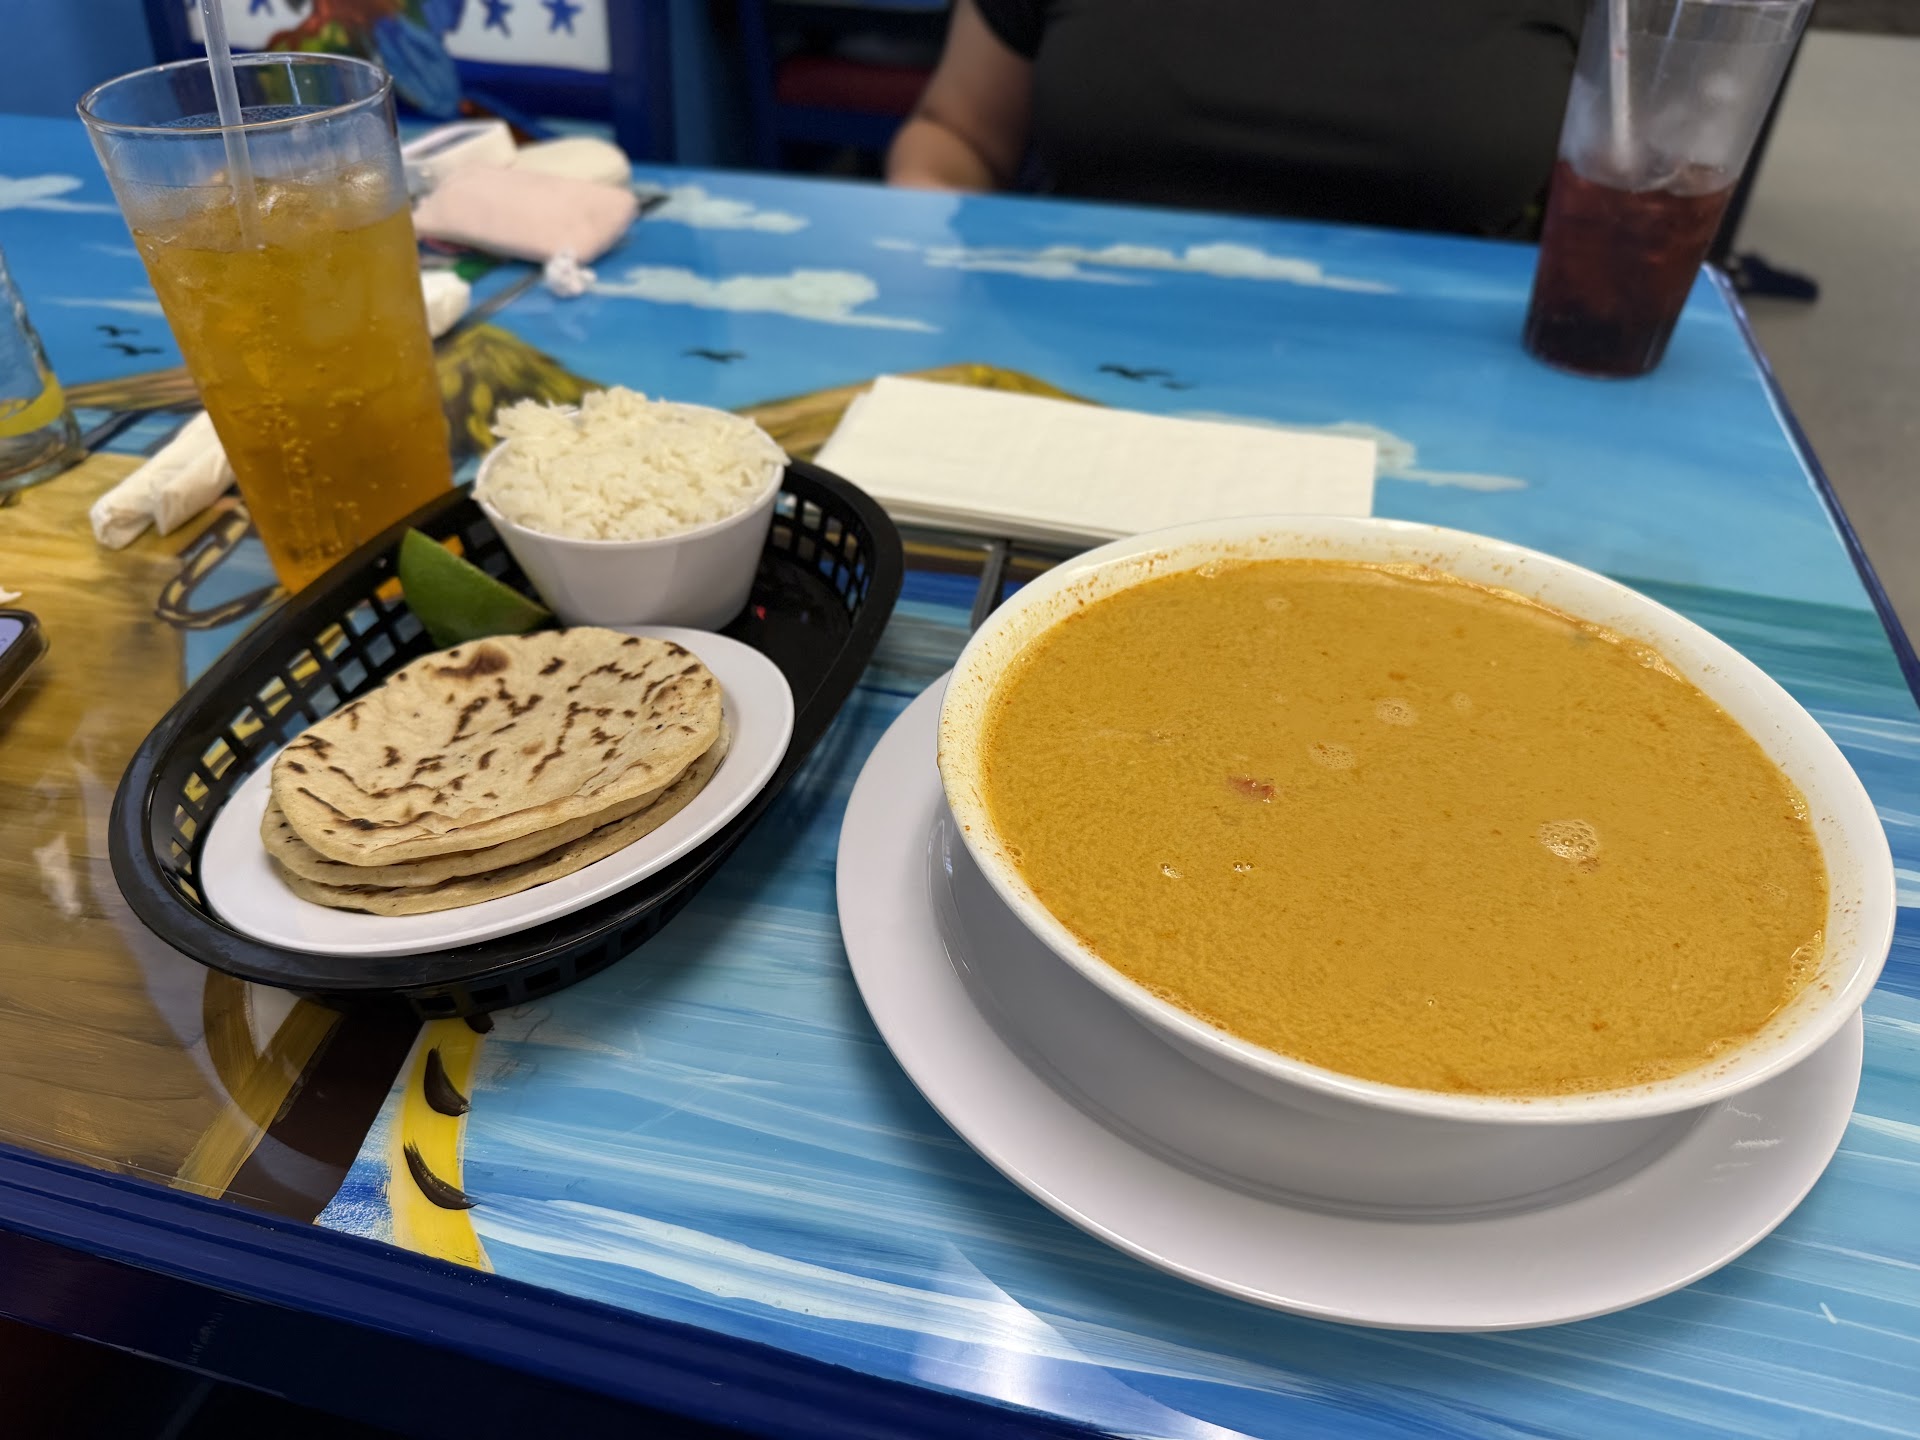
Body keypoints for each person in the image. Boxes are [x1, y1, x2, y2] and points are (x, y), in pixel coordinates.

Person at [887, 0, 1585, 237]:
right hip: (1067, 366)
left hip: (1457, 404)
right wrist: (927, 252)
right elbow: (958, 135)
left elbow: (1626, 202)